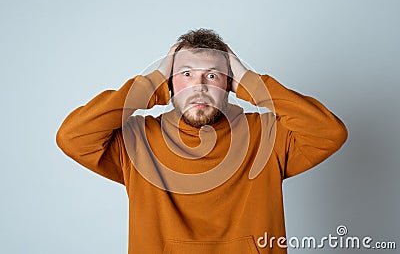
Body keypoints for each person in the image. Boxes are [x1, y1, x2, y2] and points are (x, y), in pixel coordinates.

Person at [56, 28, 348, 254]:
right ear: (168, 84)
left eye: (212, 75)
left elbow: (330, 132)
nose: (199, 86)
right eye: (186, 74)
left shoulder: (267, 135)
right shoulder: (136, 139)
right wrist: (152, 83)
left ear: (231, 86)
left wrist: (253, 83)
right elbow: (73, 137)